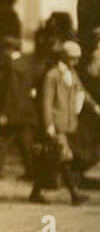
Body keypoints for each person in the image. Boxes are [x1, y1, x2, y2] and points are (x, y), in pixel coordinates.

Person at [31, 39, 90, 205]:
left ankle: (36, 191)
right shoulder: (52, 75)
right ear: (64, 56)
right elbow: (46, 102)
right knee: (65, 157)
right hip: (57, 123)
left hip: (69, 122)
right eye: (73, 58)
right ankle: (74, 195)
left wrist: (95, 107)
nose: (76, 62)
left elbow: (82, 91)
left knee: (53, 159)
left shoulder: (72, 74)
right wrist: (48, 124)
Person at [0, 36, 34, 181]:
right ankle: (31, 171)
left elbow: (11, 92)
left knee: (2, 141)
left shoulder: (12, 67)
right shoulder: (25, 64)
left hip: (14, 112)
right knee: (25, 143)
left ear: (9, 50)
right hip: (26, 110)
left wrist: (5, 113)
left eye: (5, 49)